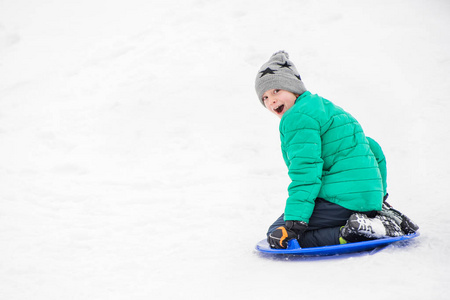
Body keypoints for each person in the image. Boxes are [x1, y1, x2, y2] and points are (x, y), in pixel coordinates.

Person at [255, 51, 418, 249]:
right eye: (264, 97)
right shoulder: (328, 109)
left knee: (279, 235)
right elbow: (373, 149)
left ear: (294, 88)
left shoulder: (296, 118)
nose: (271, 100)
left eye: (276, 91)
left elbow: (306, 171)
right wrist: (378, 198)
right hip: (368, 196)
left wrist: (295, 222)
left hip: (341, 200)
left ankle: (351, 234)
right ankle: (379, 221)